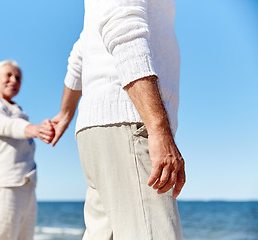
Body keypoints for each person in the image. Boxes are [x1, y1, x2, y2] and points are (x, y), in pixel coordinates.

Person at [51, 0, 186, 239]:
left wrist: (65, 114)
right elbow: (122, 24)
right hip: (128, 124)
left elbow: (82, 51)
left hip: (99, 129)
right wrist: (157, 127)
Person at [0, 60, 55, 240]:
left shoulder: (18, 113)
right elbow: (8, 126)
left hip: (27, 189)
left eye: (18, 78)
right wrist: (36, 129)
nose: (14, 80)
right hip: (3, 189)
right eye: (8, 75)